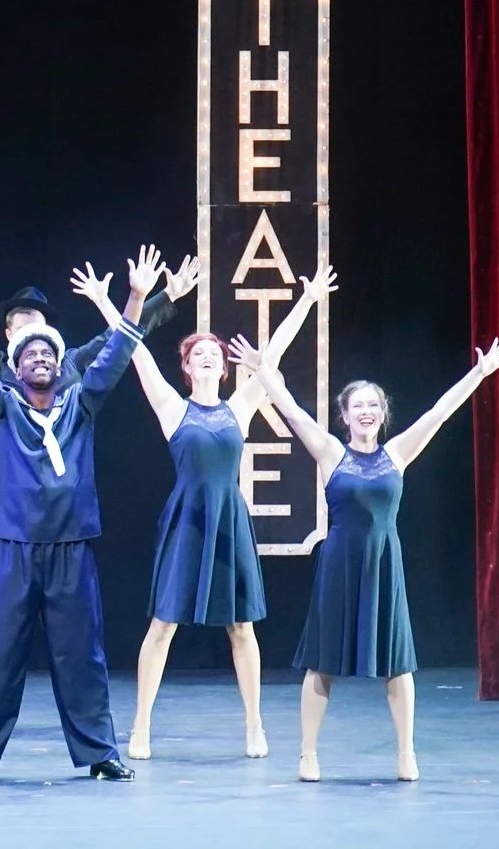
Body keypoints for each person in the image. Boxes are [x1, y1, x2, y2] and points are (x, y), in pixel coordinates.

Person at [0, 246, 193, 731]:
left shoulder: (71, 368)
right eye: (20, 324)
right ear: (7, 334)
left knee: (74, 624)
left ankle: (87, 723)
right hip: (2, 511)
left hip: (61, 518)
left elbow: (120, 339)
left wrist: (164, 296)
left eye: (37, 324)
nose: (30, 334)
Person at [239, 331, 499, 781]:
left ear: (382, 415)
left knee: (398, 664)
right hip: (339, 566)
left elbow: (439, 413)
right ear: (345, 416)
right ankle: (308, 753)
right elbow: (288, 406)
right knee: (322, 662)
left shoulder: (397, 453)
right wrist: (262, 370)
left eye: (373, 406)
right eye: (358, 406)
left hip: (385, 564)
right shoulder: (330, 452)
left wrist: (478, 374)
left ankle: (406, 753)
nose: (366, 412)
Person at [0, 260, 148, 783]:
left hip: (71, 548)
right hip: (13, 548)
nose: (39, 359)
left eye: (48, 353)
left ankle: (100, 753)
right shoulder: (1, 406)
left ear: (58, 364)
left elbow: (116, 354)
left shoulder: (80, 404)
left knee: (82, 658)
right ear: (15, 365)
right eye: (28, 354)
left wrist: (137, 297)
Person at [122, 264, 334, 760]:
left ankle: (255, 726)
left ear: (225, 366)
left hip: (229, 521)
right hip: (187, 520)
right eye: (199, 355)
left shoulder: (239, 406)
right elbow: (134, 350)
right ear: (188, 366)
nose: (208, 359)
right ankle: (140, 727)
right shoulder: (174, 409)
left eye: (215, 355)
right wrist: (113, 302)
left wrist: (306, 301)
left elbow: (274, 355)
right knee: (162, 625)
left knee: (242, 627)